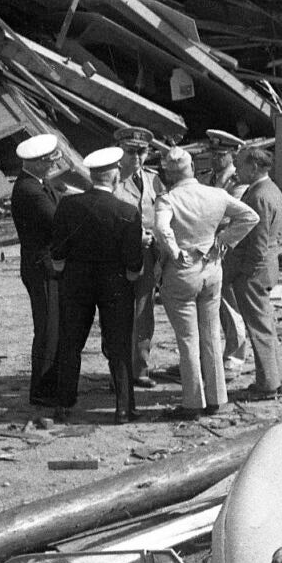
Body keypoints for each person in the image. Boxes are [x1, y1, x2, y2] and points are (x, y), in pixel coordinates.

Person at [149, 145, 258, 419]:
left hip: (182, 271)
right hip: (211, 267)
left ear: (168, 174)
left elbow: (161, 228)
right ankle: (217, 398)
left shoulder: (168, 199)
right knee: (211, 334)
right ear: (194, 169)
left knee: (188, 339)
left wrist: (175, 252)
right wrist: (223, 241)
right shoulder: (216, 194)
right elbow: (249, 217)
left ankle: (192, 402)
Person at [46, 147, 149, 423]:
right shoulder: (127, 211)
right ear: (116, 177)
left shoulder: (68, 206)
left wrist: (65, 270)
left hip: (76, 281)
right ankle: (124, 408)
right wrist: (131, 274)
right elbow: (133, 260)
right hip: (114, 283)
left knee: (70, 343)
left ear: (92, 176)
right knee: (118, 346)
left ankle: (64, 404)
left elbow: (57, 252)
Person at [219, 145, 282, 402]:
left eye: (240, 164)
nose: (236, 169)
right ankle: (273, 378)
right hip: (265, 268)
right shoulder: (271, 190)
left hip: (253, 273)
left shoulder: (258, 195)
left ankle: (267, 384)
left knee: (258, 328)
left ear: (255, 166)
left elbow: (257, 244)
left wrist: (243, 274)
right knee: (265, 326)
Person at [9, 133, 68, 409]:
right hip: (42, 269)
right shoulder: (29, 191)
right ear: (37, 163)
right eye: (50, 161)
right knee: (48, 331)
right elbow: (57, 221)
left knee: (52, 328)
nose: (53, 165)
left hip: (44, 267)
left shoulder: (39, 184)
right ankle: (42, 392)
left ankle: (49, 385)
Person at [115, 129, 164, 387]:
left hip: (147, 255)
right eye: (130, 151)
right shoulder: (110, 179)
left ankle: (140, 369)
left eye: (141, 151)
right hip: (118, 255)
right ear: (120, 150)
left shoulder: (154, 180)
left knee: (144, 313)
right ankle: (118, 372)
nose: (136, 157)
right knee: (118, 312)